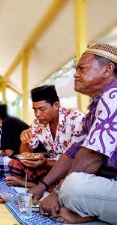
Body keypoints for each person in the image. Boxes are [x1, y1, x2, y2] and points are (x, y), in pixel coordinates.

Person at [28, 43, 117, 224]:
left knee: (73, 186)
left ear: (108, 70)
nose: (75, 74)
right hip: (106, 181)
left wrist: (56, 194)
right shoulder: (95, 107)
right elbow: (72, 153)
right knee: (70, 183)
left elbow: (91, 156)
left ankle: (88, 213)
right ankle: (88, 212)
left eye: (82, 68)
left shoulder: (113, 96)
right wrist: (43, 186)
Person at [5, 85, 85, 188]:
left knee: (70, 179)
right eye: (34, 110)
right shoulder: (37, 124)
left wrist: (46, 163)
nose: (37, 114)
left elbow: (81, 160)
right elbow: (25, 154)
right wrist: (24, 140)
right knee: (14, 164)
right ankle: (47, 185)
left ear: (56, 105)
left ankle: (31, 184)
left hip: (71, 167)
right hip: (48, 167)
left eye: (42, 109)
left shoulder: (76, 119)